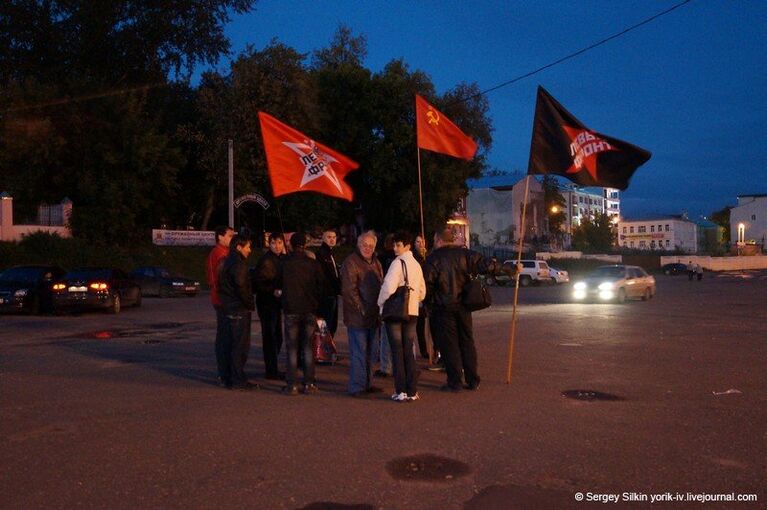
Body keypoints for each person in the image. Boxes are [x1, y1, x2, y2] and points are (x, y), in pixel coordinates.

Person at [424, 226, 488, 392]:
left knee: (449, 345)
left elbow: (427, 285)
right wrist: (510, 270)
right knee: (467, 341)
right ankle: (473, 379)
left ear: (438, 240)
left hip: (443, 307)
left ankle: (455, 382)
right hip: (464, 306)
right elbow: (486, 264)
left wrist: (426, 303)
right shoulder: (466, 254)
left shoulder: (433, 259)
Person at [377, 231, 426, 402]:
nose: (395, 248)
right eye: (394, 244)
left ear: (407, 246)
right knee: (408, 351)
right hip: (412, 312)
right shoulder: (417, 265)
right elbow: (422, 291)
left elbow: (388, 287)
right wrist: (413, 300)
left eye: (398, 245)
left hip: (396, 313)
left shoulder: (397, 263)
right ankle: (412, 391)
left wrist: (380, 303)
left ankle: (401, 390)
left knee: (397, 351)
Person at [278, 232, 327, 395]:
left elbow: (278, 283)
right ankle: (309, 383)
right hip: (309, 309)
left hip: (291, 309)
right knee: (307, 347)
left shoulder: (284, 263)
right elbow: (321, 286)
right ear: (305, 245)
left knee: (292, 348)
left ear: (291, 245)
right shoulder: (312, 264)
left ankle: (292, 384)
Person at [341, 231, 384, 398]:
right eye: (364, 245)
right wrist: (362, 309)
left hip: (373, 315)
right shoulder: (351, 262)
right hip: (358, 316)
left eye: (371, 246)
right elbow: (349, 290)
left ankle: (367, 383)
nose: (368, 248)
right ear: (358, 245)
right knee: (359, 351)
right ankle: (357, 386)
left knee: (371, 352)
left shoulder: (376, 262)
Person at [217, 234, 257, 390]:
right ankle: (238, 380)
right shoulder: (239, 265)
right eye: (247, 247)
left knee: (230, 344)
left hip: (229, 308)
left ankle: (228, 377)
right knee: (239, 347)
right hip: (238, 309)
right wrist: (249, 303)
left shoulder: (226, 262)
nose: (250, 250)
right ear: (239, 247)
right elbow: (241, 288)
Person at [252, 232, 286, 380]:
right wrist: (273, 290)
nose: (277, 246)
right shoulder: (266, 261)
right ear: (269, 244)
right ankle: (271, 370)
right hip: (267, 304)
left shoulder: (281, 259)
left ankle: (272, 366)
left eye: (279, 243)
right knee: (271, 337)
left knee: (277, 337)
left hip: (276, 304)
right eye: (274, 243)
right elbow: (259, 283)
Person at [206, 225, 234, 387]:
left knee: (226, 336)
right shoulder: (219, 254)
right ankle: (224, 373)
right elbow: (217, 279)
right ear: (220, 237)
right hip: (222, 300)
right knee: (224, 336)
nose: (232, 239)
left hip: (222, 298)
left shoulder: (223, 253)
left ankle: (225, 371)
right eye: (230, 236)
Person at [374, 233, 396, 378]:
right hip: (401, 304)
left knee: (385, 335)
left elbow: (384, 283)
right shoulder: (401, 260)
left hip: (387, 301)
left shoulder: (380, 259)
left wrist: (380, 302)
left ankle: (385, 365)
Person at [316, 228, 341, 337]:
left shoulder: (331, 253)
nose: (332, 239)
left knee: (330, 324)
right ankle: (323, 348)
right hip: (326, 295)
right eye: (329, 237)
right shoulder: (321, 254)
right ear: (323, 238)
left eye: (334, 237)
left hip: (332, 294)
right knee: (325, 324)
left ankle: (326, 347)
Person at [413, 235, 432, 361]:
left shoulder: (429, 256)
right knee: (418, 325)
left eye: (422, 241)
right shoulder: (414, 258)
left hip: (428, 294)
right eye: (418, 241)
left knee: (428, 324)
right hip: (417, 295)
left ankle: (431, 350)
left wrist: (427, 258)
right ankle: (423, 349)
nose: (420, 244)